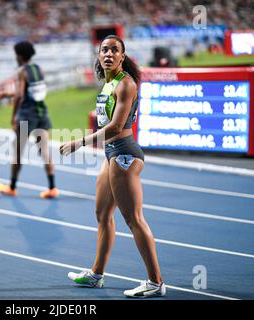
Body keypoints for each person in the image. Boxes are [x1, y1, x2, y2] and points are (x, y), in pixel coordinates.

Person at [59, 35, 165, 298]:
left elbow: (117, 127)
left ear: (122, 56)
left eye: (114, 50)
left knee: (133, 218)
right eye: (104, 50)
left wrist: (80, 142)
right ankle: (96, 275)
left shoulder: (125, 84)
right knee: (102, 214)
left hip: (125, 154)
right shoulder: (108, 84)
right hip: (110, 154)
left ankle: (156, 282)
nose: (108, 54)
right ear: (98, 55)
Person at [0, 41, 59, 199]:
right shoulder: (38, 69)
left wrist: (13, 117)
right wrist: (8, 94)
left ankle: (11, 187)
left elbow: (20, 95)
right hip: (42, 113)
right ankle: (52, 188)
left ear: (20, 56)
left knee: (17, 152)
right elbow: (33, 91)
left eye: (16, 55)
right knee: (44, 151)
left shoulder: (21, 71)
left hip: (26, 115)